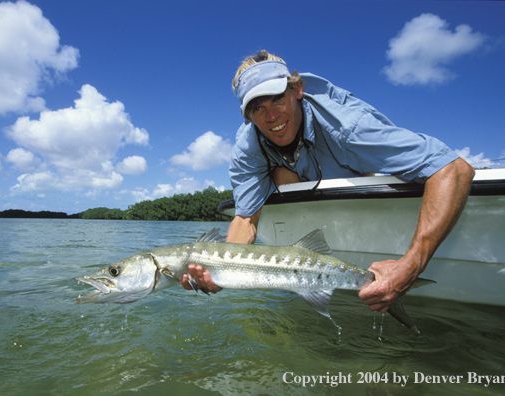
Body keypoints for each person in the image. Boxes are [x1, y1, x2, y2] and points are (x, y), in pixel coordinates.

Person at [181, 50, 475, 313]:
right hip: (307, 182)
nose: (271, 116)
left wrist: (411, 264)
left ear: (297, 89)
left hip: (358, 169)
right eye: (257, 107)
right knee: (280, 177)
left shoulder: (348, 128)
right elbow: (245, 220)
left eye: (278, 98)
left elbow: (454, 169)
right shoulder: (248, 148)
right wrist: (220, 273)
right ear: (247, 116)